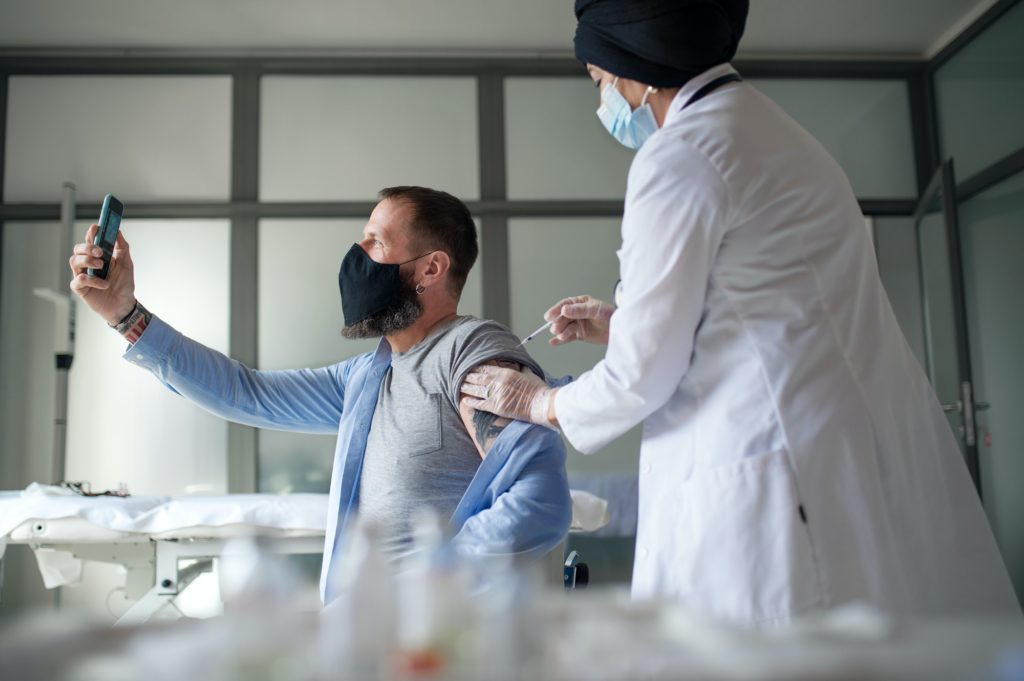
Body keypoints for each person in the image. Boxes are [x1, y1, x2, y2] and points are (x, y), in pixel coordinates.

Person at [461, 0, 1019, 624]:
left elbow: (642, 375)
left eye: (599, 82)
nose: (603, 103)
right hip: (828, 444)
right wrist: (622, 323)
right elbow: (768, 308)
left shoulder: (679, 157)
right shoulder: (774, 133)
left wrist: (537, 403)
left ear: (633, 68)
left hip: (770, 471)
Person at [69, 185, 572, 604]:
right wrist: (124, 314)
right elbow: (246, 393)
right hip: (374, 641)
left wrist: (431, 585)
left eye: (375, 243)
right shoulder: (369, 377)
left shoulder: (471, 351)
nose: (358, 259)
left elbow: (539, 501)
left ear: (431, 268)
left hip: (437, 643)